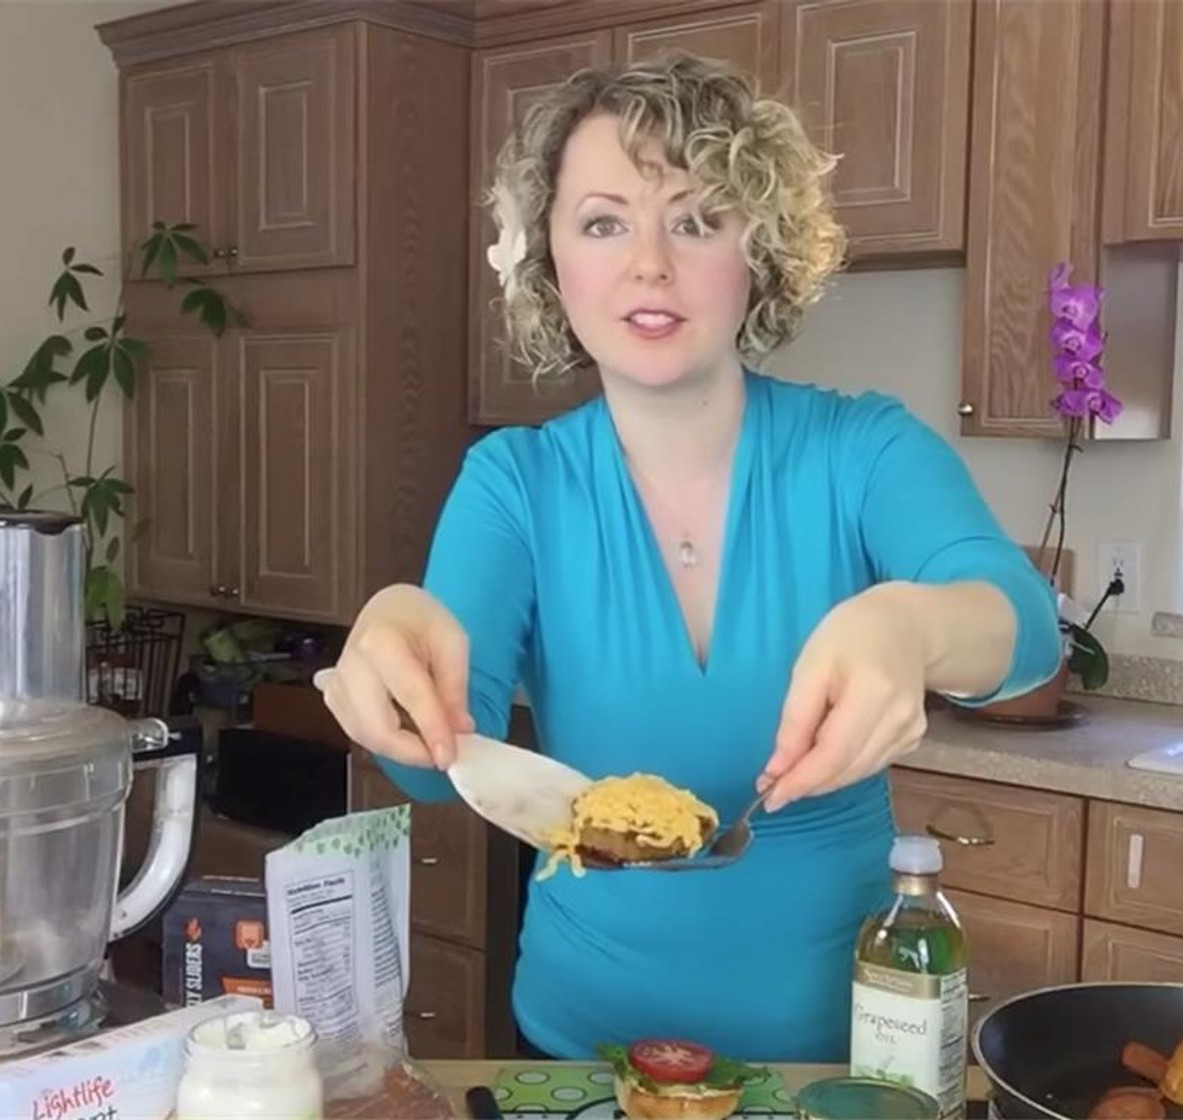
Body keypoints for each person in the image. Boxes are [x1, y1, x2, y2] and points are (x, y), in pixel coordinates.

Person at [313, 52, 1062, 1063]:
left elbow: (1022, 624)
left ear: (759, 249)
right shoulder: (514, 483)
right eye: (603, 221)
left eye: (697, 219)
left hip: (832, 1065)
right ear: (549, 259)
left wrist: (911, 626)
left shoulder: (864, 449)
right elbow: (456, 768)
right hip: (581, 1057)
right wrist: (397, 646)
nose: (650, 263)